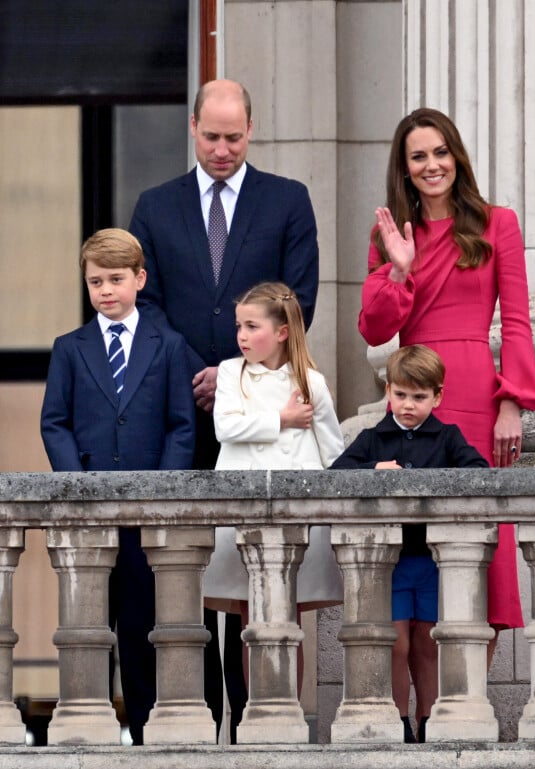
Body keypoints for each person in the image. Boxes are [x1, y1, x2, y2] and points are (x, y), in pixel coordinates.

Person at [128, 78, 319, 739]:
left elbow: (299, 300)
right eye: (212, 136)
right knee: (183, 567)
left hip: (264, 419)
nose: (222, 148)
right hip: (180, 415)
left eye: (234, 137)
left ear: (252, 129)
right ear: (192, 128)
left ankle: (259, 716)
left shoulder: (287, 201)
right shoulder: (155, 206)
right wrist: (198, 373)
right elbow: (140, 304)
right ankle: (193, 715)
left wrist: (240, 373)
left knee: (257, 577)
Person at [358, 107, 535, 661]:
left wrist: (512, 401)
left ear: (456, 157)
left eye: (441, 152)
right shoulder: (388, 233)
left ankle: (471, 707)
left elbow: (516, 320)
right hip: (414, 393)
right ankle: (420, 720)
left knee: (479, 541)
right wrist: (398, 268)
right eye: (419, 156)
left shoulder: (496, 222)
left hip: (474, 394)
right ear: (405, 167)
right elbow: (374, 327)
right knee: (419, 544)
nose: (432, 164)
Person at [40, 228, 195, 745]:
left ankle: (147, 732)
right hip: (88, 514)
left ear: (139, 279)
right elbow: (55, 422)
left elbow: (181, 424)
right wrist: (79, 488)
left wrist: (163, 492)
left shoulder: (168, 345)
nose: (106, 290)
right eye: (95, 282)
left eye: (116, 279)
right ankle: (91, 730)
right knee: (88, 626)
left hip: (148, 514)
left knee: (140, 623)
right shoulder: (70, 348)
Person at [331, 345, 488, 743]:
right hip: (391, 562)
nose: (408, 405)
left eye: (419, 397)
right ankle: (398, 720)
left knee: (428, 646)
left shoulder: (448, 437)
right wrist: (373, 469)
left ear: (437, 396)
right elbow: (336, 475)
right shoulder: (373, 437)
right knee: (395, 645)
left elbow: (478, 472)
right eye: (400, 394)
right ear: (388, 392)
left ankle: (428, 721)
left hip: (433, 562)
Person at [205, 280, 344, 639]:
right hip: (241, 508)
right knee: (252, 620)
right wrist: (282, 419)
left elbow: (333, 452)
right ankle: (256, 699)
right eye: (239, 326)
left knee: (289, 621)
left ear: (282, 332)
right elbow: (226, 427)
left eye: (252, 326)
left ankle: (290, 700)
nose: (242, 336)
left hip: (298, 512)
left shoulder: (310, 382)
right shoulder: (230, 373)